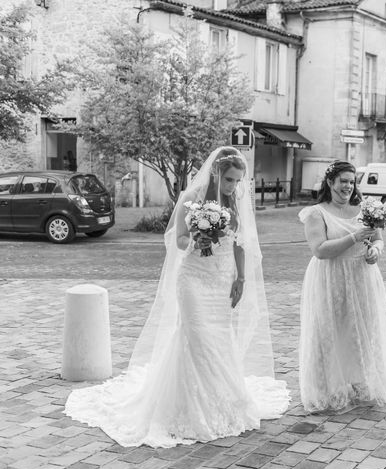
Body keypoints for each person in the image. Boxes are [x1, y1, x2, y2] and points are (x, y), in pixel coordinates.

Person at [64, 147, 290, 447]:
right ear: (215, 174)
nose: (233, 186)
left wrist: (242, 277)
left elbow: (239, 243)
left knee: (219, 337)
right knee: (196, 335)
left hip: (222, 277)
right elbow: (178, 239)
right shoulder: (190, 199)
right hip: (194, 277)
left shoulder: (235, 201)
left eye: (237, 181)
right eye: (229, 180)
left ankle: (222, 400)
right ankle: (189, 407)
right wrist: (198, 237)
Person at [298, 161, 386, 413]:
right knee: (328, 330)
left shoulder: (364, 209)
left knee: (363, 329)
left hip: (362, 276)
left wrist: (375, 250)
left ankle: (360, 383)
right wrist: (354, 237)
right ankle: (327, 388)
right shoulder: (316, 213)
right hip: (330, 276)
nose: (348, 186)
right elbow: (319, 250)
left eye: (351, 182)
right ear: (330, 182)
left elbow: (378, 239)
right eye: (343, 181)